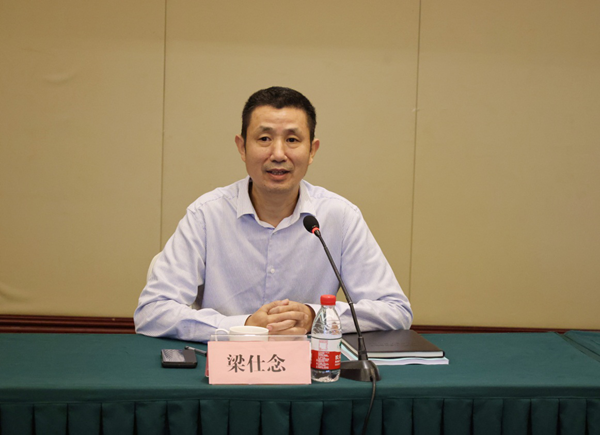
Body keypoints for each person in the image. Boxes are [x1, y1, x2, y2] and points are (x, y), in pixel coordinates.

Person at [134, 86, 412, 342]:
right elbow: (152, 312)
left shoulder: (339, 216)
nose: (278, 154)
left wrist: (314, 317)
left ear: (312, 150)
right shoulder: (206, 215)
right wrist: (243, 326)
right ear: (242, 147)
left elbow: (396, 311)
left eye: (292, 139)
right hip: (222, 367)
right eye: (264, 139)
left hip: (308, 370)